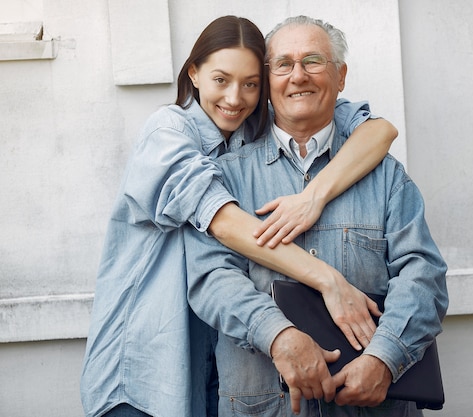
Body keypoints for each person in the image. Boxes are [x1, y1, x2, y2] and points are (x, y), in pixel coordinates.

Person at [80, 15, 399, 417]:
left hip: (215, 369)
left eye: (250, 84)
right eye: (221, 80)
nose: (235, 97)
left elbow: (379, 131)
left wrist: (313, 196)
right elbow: (227, 225)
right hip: (147, 370)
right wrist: (331, 282)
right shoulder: (167, 134)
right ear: (193, 73)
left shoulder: (248, 134)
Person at [184, 15, 449, 417]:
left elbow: (423, 274)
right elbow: (210, 279)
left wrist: (385, 357)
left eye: (313, 61)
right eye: (283, 65)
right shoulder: (226, 173)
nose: (298, 76)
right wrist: (281, 336)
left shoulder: (385, 175)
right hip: (264, 406)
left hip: (373, 405)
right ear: (267, 80)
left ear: (340, 76)